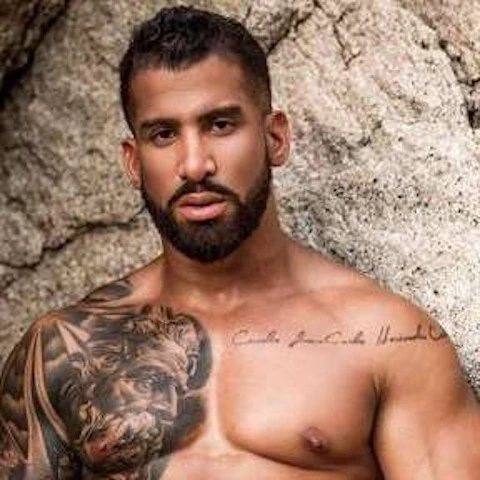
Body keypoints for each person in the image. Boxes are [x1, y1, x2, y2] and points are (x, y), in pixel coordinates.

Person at [0, 6, 478, 479]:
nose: (195, 165)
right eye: (163, 134)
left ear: (275, 138)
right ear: (133, 161)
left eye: (220, 125)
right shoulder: (61, 353)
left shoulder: (390, 340)